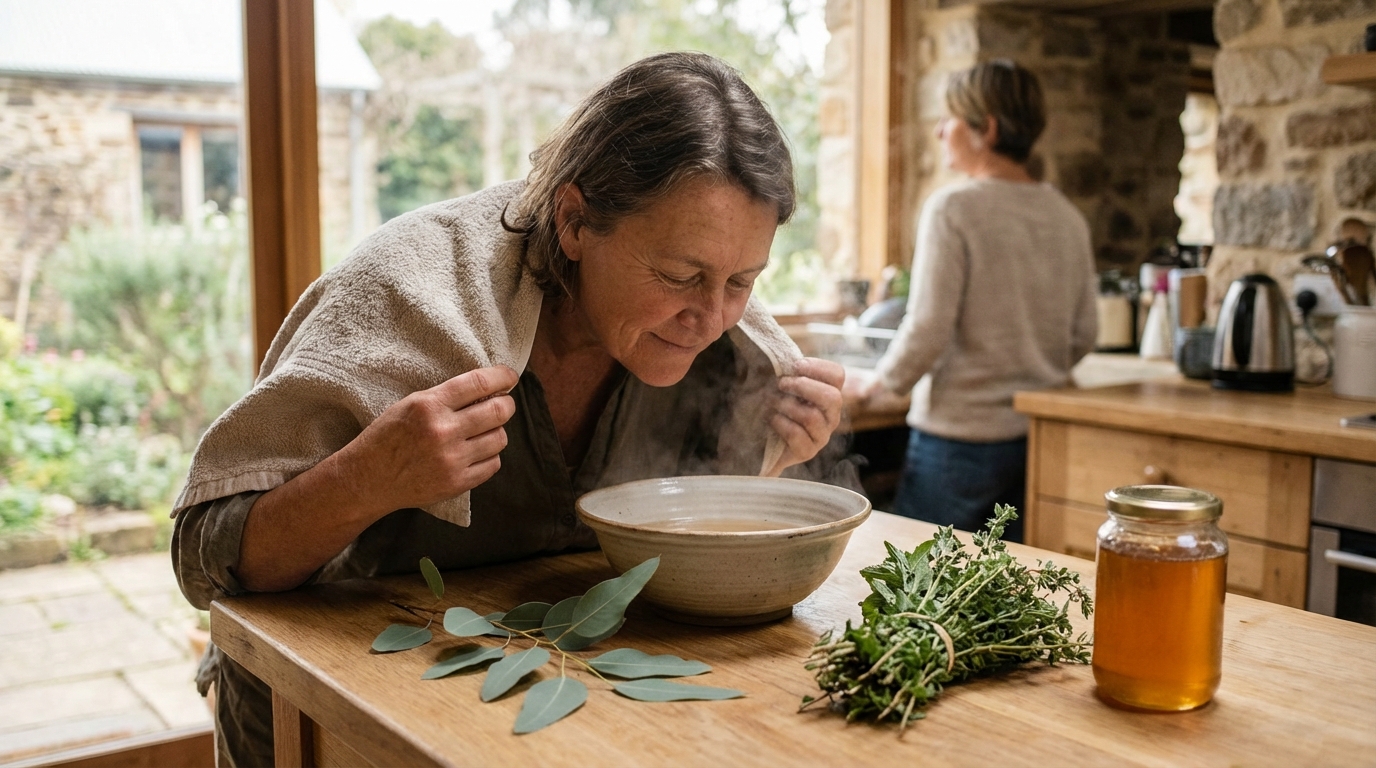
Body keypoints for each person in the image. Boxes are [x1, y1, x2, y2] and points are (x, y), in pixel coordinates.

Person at [172, 51, 850, 766]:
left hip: (542, 722)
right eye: (682, 276)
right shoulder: (408, 294)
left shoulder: (733, 356)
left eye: (743, 279)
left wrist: (776, 448)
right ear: (574, 222)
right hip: (322, 720)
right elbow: (202, 561)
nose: (712, 316)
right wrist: (369, 477)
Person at [847, 60, 1096, 542]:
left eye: (950, 118)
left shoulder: (954, 207)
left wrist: (878, 383)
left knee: (929, 598)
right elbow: (1085, 336)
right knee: (1008, 596)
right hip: (1039, 443)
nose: (940, 131)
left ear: (988, 129)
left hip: (958, 447)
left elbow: (927, 328)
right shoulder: (1066, 215)